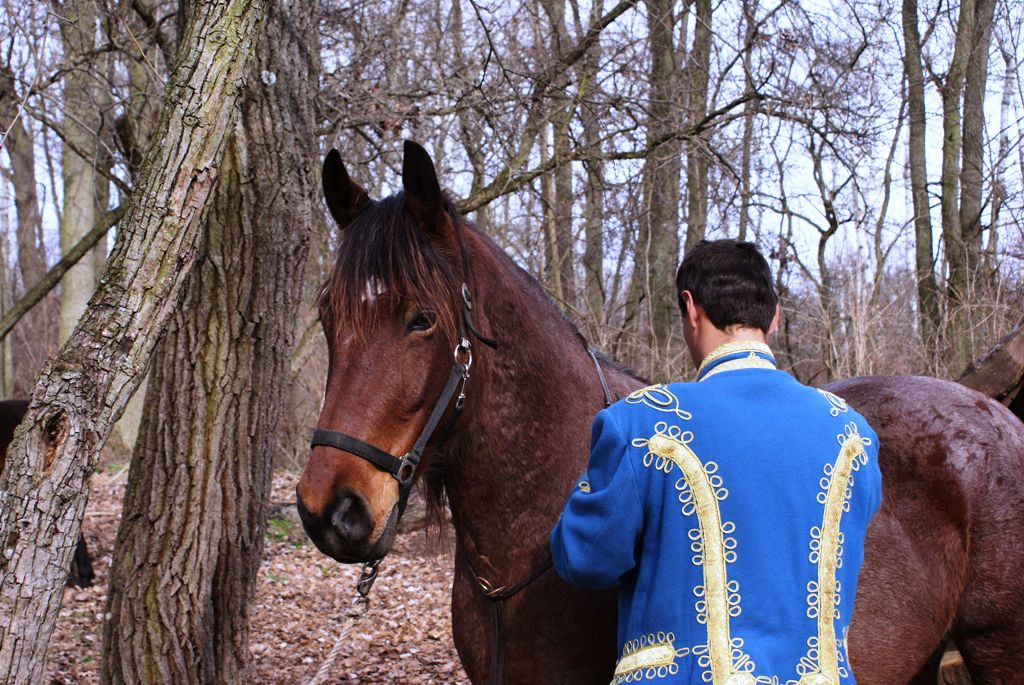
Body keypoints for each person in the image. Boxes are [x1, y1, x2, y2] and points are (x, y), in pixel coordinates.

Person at [550, 239, 882, 685]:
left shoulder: (640, 422)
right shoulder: (853, 435)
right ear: (775, 316)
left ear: (690, 308)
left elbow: (585, 559)